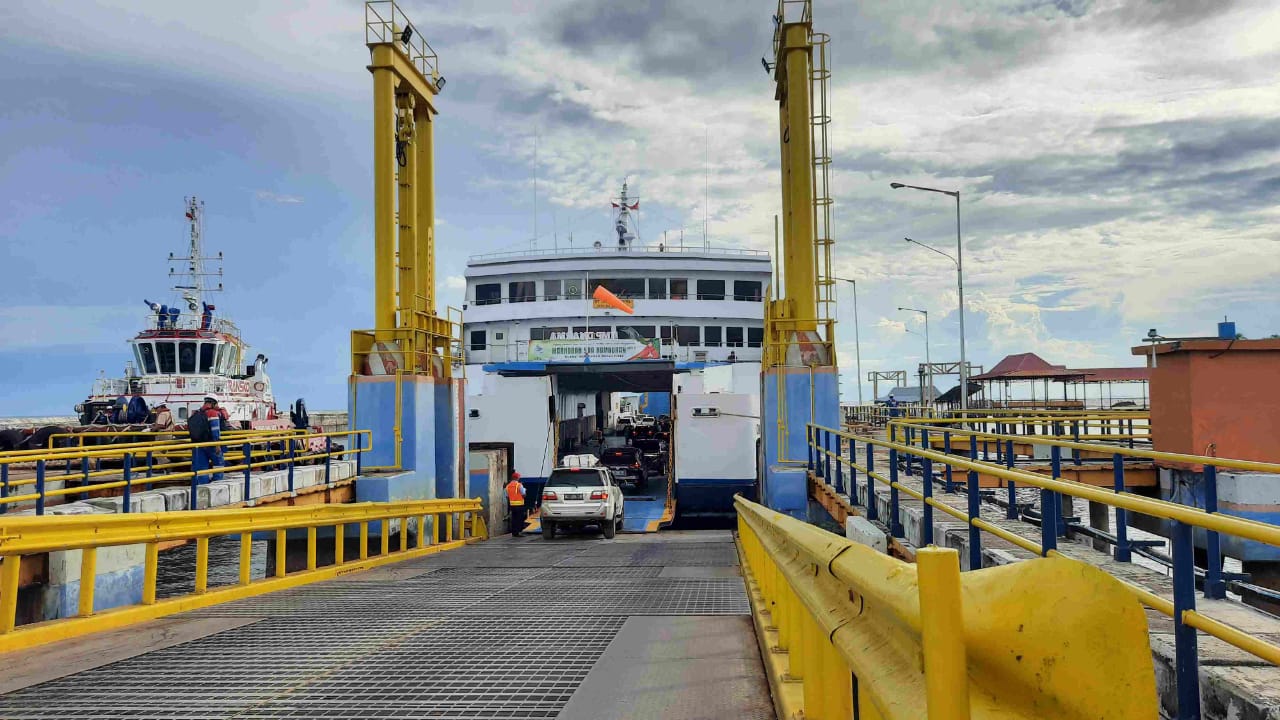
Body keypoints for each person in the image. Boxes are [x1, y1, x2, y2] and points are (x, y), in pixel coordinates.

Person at [189, 394, 230, 483]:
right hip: (211, 444)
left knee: (201, 466)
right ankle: (217, 483)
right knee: (218, 463)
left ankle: (202, 484)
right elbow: (215, 430)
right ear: (214, 403)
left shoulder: (196, 413)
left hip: (198, 444)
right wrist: (217, 444)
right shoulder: (212, 413)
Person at [505, 471, 527, 537]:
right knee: (519, 519)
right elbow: (524, 495)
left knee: (514, 519)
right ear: (517, 478)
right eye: (519, 477)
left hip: (512, 505)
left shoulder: (508, 486)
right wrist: (525, 491)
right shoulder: (519, 485)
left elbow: (507, 496)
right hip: (519, 505)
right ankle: (518, 532)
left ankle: (514, 532)